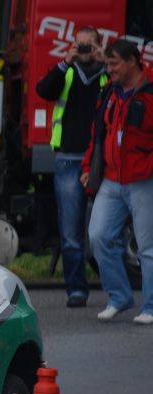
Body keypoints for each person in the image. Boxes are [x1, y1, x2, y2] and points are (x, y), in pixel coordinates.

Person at [81, 39, 153, 324]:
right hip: (112, 179)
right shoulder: (109, 92)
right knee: (98, 236)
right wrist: (88, 167)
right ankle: (119, 297)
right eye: (108, 64)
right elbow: (98, 133)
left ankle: (150, 306)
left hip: (143, 179)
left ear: (132, 61)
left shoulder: (149, 92)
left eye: (114, 64)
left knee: (148, 247)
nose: (109, 69)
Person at [36, 26, 107, 308]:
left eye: (90, 45)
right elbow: (44, 90)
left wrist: (104, 61)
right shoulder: (66, 71)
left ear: (99, 45)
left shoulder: (108, 74)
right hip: (69, 159)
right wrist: (67, 60)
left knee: (107, 230)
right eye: (81, 45)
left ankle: (115, 288)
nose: (85, 50)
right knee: (70, 232)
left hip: (103, 159)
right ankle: (76, 290)